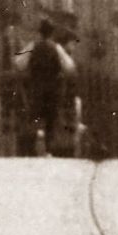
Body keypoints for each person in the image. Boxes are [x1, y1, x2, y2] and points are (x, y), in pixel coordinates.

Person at [15, 18, 75, 156]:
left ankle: (31, 148)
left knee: (33, 117)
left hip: (36, 89)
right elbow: (69, 66)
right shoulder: (56, 48)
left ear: (39, 32)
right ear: (52, 33)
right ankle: (48, 150)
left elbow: (18, 62)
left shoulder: (32, 46)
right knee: (51, 119)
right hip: (52, 90)